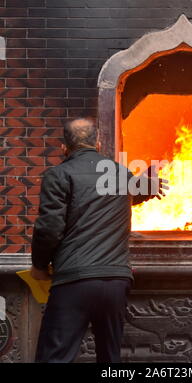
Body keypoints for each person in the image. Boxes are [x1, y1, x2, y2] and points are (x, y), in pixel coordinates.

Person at [30, 117, 168, 363]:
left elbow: (50, 228)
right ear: (99, 142)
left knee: (55, 357)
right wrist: (148, 184)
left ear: (64, 147)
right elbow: (125, 195)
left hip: (75, 281)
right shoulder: (119, 173)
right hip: (116, 283)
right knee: (109, 359)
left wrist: (39, 266)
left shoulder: (60, 175)